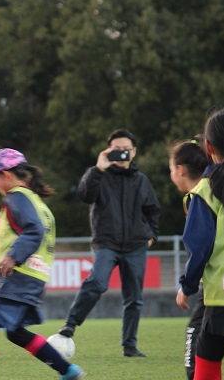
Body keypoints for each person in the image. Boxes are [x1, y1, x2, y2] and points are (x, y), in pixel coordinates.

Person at [0, 149, 86, 380]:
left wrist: (13, 257)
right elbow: (27, 235)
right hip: (34, 277)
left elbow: (33, 231)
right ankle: (67, 370)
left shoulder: (16, 197)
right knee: (15, 333)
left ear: (5, 174)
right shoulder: (37, 202)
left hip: (17, 275)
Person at [58, 128, 161, 358]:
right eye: (117, 149)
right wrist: (97, 168)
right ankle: (70, 324)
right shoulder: (98, 174)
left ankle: (129, 346)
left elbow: (153, 210)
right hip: (107, 243)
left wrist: (151, 236)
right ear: (108, 151)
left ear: (133, 152)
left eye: (126, 149)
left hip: (136, 245)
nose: (122, 153)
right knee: (96, 282)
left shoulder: (142, 180)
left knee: (134, 298)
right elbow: (84, 195)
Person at [175, 108, 224, 380]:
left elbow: (199, 247)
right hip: (223, 297)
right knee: (206, 350)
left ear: (209, 147)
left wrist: (188, 285)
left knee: (207, 357)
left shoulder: (205, 191)